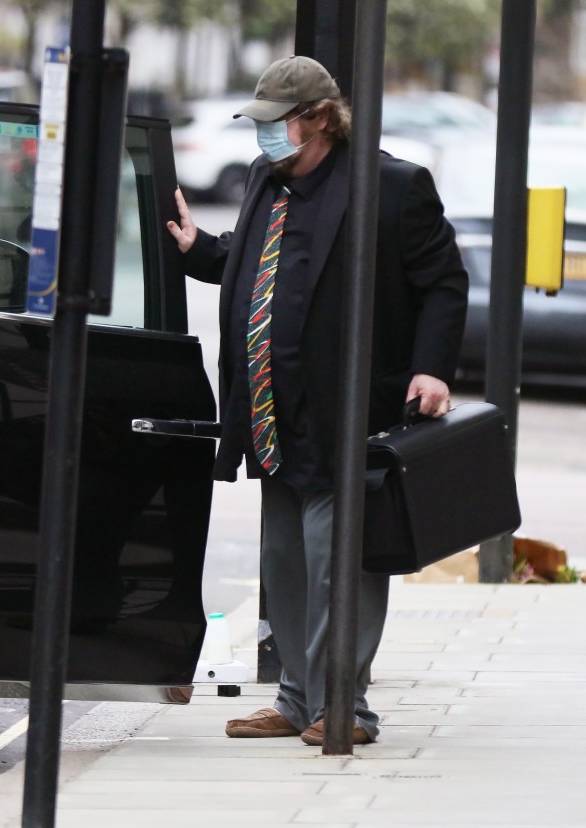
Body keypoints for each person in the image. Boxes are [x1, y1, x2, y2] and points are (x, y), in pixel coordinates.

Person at [167, 55, 468, 745]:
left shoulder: (390, 187)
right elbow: (256, 268)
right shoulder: (265, 183)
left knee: (340, 559)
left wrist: (431, 370)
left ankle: (349, 708)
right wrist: (198, 250)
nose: (265, 137)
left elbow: (444, 283)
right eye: (260, 123)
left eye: (278, 124)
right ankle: (298, 700)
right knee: (286, 564)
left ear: (321, 120)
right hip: (273, 414)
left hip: (348, 413)